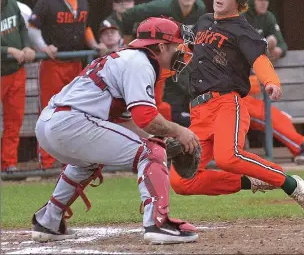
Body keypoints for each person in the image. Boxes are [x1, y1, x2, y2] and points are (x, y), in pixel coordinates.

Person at [170, 0, 304, 221]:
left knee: (228, 157)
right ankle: (252, 181)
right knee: (182, 181)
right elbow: (183, 56)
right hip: (198, 111)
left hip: (226, 104)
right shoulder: (204, 21)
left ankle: (291, 185)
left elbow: (260, 60)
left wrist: (271, 81)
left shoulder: (243, 31)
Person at [31, 17, 199, 244]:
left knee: (88, 162)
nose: (181, 51)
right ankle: (158, 223)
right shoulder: (140, 62)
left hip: (52, 123)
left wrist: (156, 138)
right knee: (151, 153)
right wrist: (179, 132)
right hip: (72, 122)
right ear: (160, 46)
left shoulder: (126, 58)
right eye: (176, 45)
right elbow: (146, 118)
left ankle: (48, 220)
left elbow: (128, 123)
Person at [28, 0, 108, 169]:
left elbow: (85, 27)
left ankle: (71, 161)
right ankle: (46, 163)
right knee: (49, 110)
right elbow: (33, 27)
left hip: (76, 63)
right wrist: (43, 47)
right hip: (54, 63)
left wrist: (94, 44)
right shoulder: (47, 1)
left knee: (74, 111)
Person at [244, 0, 304, 165]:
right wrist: (264, 45)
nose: (263, 3)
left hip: (250, 91)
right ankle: (303, 146)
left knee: (279, 117)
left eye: (266, 0)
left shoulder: (267, 18)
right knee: (269, 115)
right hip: (235, 95)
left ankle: (302, 149)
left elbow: (281, 45)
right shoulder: (241, 20)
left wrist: (275, 48)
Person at [121, 0, 206, 122]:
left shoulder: (200, 9)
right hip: (157, 58)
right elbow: (128, 15)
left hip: (181, 62)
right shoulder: (163, 7)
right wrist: (126, 44)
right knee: (158, 104)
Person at [1, 0, 36, 172]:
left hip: (15, 71)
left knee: (14, 121)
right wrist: (9, 50)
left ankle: (9, 164)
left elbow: (22, 27)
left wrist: (26, 46)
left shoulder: (12, 3)